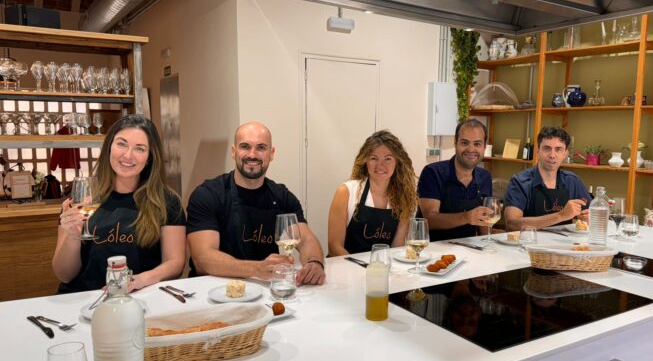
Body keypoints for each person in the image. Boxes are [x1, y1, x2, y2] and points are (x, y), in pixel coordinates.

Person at [53, 114, 187, 293]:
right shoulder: (83, 198)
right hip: (83, 300)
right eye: (121, 144)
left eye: (140, 149)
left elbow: (175, 263)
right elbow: (64, 275)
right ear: (109, 147)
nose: (128, 155)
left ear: (149, 157)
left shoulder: (166, 202)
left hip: (138, 299)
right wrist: (72, 235)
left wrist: (139, 280)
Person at [186, 121, 325, 285]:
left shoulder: (282, 197)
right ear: (233, 151)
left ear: (271, 153)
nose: (252, 155)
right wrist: (256, 269)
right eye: (245, 146)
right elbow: (203, 259)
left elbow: (306, 239)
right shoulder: (208, 194)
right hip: (213, 291)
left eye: (261, 147)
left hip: (264, 289)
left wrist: (314, 263)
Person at [327, 130, 417, 256]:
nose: (380, 165)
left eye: (388, 159)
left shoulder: (403, 198)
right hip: (346, 268)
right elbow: (334, 247)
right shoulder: (346, 192)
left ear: (397, 162)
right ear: (365, 161)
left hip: (382, 269)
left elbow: (396, 249)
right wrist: (362, 272)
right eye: (374, 158)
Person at [417, 118, 493, 242]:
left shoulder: (485, 177)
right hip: (432, 250)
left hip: (470, 249)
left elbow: (484, 221)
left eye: (477, 144)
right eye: (464, 143)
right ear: (455, 143)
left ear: (484, 146)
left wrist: (487, 243)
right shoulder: (433, 172)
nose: (471, 149)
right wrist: (466, 217)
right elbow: (429, 220)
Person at [504, 126, 591, 231]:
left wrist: (586, 217)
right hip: (528, 244)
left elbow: (591, 214)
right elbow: (512, 224)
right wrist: (561, 215)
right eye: (547, 148)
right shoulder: (520, 182)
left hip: (564, 245)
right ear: (537, 151)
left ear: (565, 154)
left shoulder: (572, 181)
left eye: (558, 149)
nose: (552, 155)